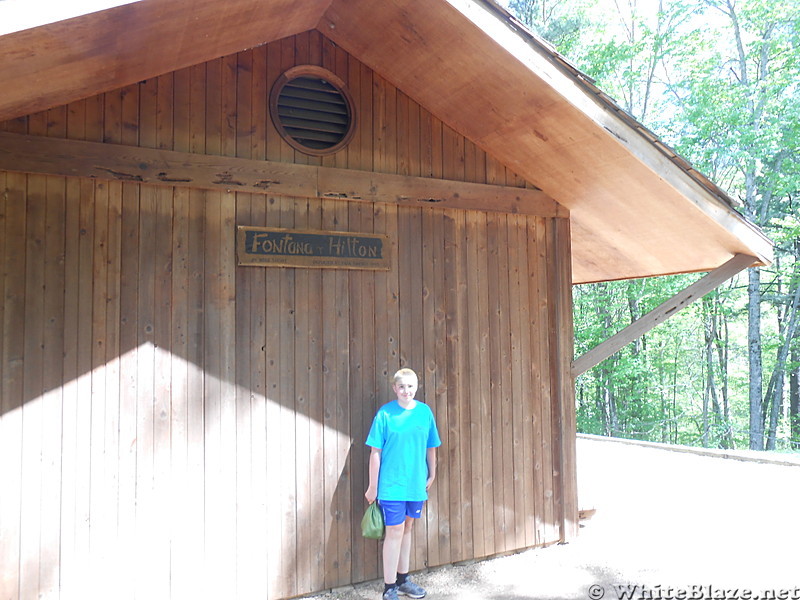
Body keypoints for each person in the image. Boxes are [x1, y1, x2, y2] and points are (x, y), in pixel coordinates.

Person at [365, 368, 441, 600]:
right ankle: (389, 588)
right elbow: (375, 452)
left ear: (416, 387)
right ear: (394, 388)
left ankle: (403, 580)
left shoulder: (425, 412)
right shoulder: (385, 415)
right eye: (401, 386)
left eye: (410, 386)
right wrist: (373, 486)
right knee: (394, 531)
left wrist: (432, 473)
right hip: (392, 484)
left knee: (407, 528)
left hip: (416, 484)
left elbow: (431, 445)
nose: (406, 390)